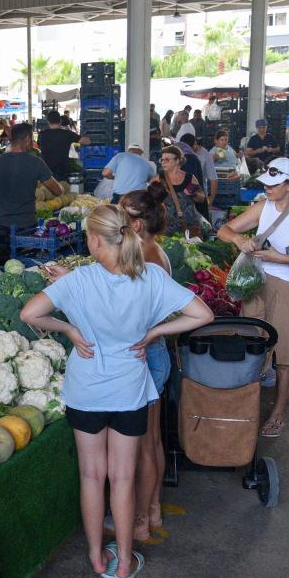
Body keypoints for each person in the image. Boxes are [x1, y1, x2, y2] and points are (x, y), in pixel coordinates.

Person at [22, 205, 211, 578]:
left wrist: (70, 330)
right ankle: (124, 562)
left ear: (93, 240)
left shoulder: (77, 281)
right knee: (123, 479)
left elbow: (31, 314)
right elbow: (202, 315)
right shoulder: (152, 277)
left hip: (86, 391)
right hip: (130, 391)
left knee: (92, 477)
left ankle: (95, 556)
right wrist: (155, 333)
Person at [217, 158, 289, 438]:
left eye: (273, 185)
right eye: (265, 183)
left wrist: (280, 257)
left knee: (285, 356)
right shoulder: (262, 206)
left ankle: (278, 413)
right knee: (253, 346)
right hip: (258, 284)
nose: (267, 189)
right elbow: (224, 230)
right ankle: (247, 405)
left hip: (288, 288)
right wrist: (239, 240)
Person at [118, 184, 178, 540]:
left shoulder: (145, 257)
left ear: (137, 224)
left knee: (141, 444)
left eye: (123, 214)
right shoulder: (152, 249)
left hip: (147, 355)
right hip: (155, 354)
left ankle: (140, 520)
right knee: (150, 440)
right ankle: (152, 510)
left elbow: (135, 314)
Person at [0, 123, 63, 264]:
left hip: (2, 227)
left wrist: (2, 188)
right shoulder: (36, 162)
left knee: (0, 270)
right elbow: (58, 191)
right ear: (27, 139)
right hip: (27, 228)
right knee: (27, 268)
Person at [157, 146, 206, 234]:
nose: (163, 162)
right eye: (162, 159)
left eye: (167, 159)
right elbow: (149, 201)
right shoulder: (158, 179)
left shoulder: (190, 178)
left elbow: (201, 199)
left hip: (189, 225)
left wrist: (193, 192)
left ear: (177, 160)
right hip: (167, 227)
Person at [38, 110, 87, 178]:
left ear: (48, 121)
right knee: (63, 187)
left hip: (46, 172)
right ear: (60, 121)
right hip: (63, 171)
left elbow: (39, 147)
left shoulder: (42, 135)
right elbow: (86, 141)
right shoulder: (67, 134)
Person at [182, 133, 219, 210]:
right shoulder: (177, 156)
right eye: (194, 144)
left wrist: (211, 198)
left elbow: (213, 178)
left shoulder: (204, 153)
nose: (197, 147)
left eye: (197, 144)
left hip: (199, 198)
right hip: (182, 199)